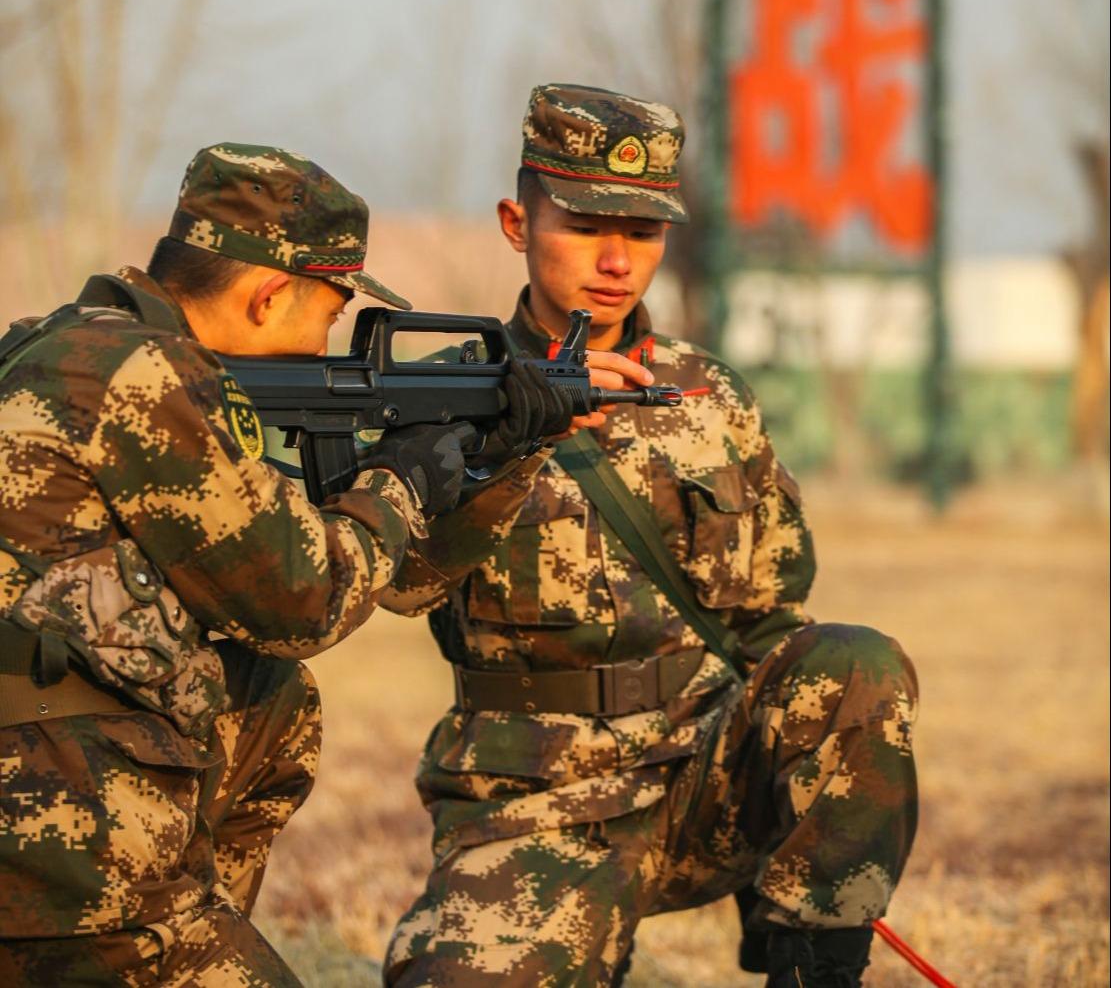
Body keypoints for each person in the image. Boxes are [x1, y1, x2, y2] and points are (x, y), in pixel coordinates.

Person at [0, 142, 603, 986]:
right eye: (330, 309)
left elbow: (368, 574)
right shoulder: (144, 375)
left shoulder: (61, 347)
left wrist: (492, 452)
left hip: (39, 789)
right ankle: (156, 940)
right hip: (54, 828)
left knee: (268, 697)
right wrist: (400, 478)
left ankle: (185, 915)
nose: (330, 334)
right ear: (269, 292)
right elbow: (302, 599)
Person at [381, 86, 919, 988]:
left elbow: (770, 613)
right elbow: (397, 581)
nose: (616, 258)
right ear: (517, 221)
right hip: (538, 803)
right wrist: (513, 444)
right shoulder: (447, 396)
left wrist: (800, 806)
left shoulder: (707, 395)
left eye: (642, 230)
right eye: (587, 223)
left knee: (856, 663)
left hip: (703, 779)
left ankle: (812, 965)